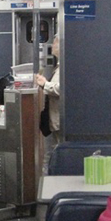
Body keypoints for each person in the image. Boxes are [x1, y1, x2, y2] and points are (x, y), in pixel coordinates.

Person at [36, 35, 61, 174]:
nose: (53, 44)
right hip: (55, 116)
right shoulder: (59, 66)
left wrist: (45, 84)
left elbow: (61, 88)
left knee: (59, 147)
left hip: (60, 117)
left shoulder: (66, 67)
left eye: (56, 41)